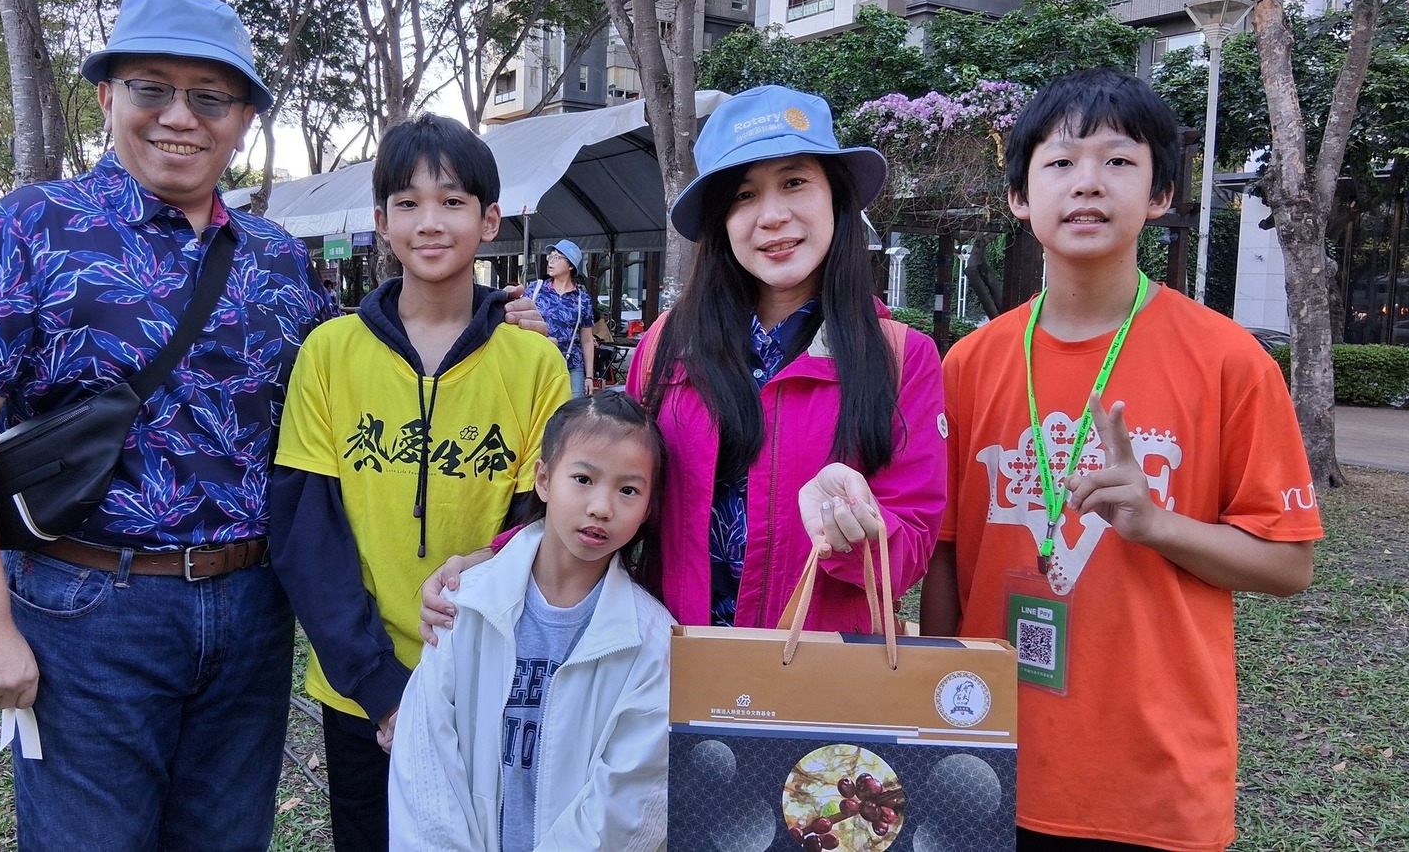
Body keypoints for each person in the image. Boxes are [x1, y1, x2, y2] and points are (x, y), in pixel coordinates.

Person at [0, 0, 334, 850]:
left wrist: (488, 322)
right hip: (90, 608)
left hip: (253, 608)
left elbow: (352, 386)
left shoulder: (278, 258)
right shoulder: (33, 227)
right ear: (107, 97)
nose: (180, 116)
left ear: (243, 119)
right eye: (152, 88)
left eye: (210, 97)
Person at [913, 68, 1320, 851]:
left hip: (1155, 783)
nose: (1088, 182)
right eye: (1061, 161)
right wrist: (938, 716)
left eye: (1119, 160)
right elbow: (946, 558)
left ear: (1161, 194)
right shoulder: (968, 364)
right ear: (1019, 196)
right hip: (990, 762)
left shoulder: (1229, 362)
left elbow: (1288, 564)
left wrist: (1159, 524)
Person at [422, 84, 947, 639]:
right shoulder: (668, 347)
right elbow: (615, 485)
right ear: (720, 221)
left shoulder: (900, 358)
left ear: (836, 197)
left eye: (795, 182)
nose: (772, 216)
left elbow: (912, 548)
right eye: (744, 195)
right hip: (667, 660)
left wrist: (856, 532)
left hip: (819, 672)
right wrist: (497, 556)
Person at [268, 112, 571, 852]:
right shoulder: (329, 353)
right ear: (381, 222)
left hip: (489, 682)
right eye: (407, 202)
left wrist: (483, 578)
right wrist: (380, 689)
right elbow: (308, 531)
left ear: (490, 219)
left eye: (452, 201)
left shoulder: (535, 363)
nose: (429, 221)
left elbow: (544, 526)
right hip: (358, 686)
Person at [388, 392, 672, 851]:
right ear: (543, 479)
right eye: (583, 479)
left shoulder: (653, 640)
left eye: (628, 490)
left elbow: (628, 804)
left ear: (648, 507)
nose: (601, 507)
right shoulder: (466, 605)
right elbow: (426, 766)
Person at [527, 239, 596, 397]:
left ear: (571, 266)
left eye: (557, 257)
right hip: (538, 362)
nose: (551, 261)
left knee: (573, 409)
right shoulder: (535, 290)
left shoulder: (582, 299)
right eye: (550, 257)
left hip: (571, 364)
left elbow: (587, 340)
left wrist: (589, 376)